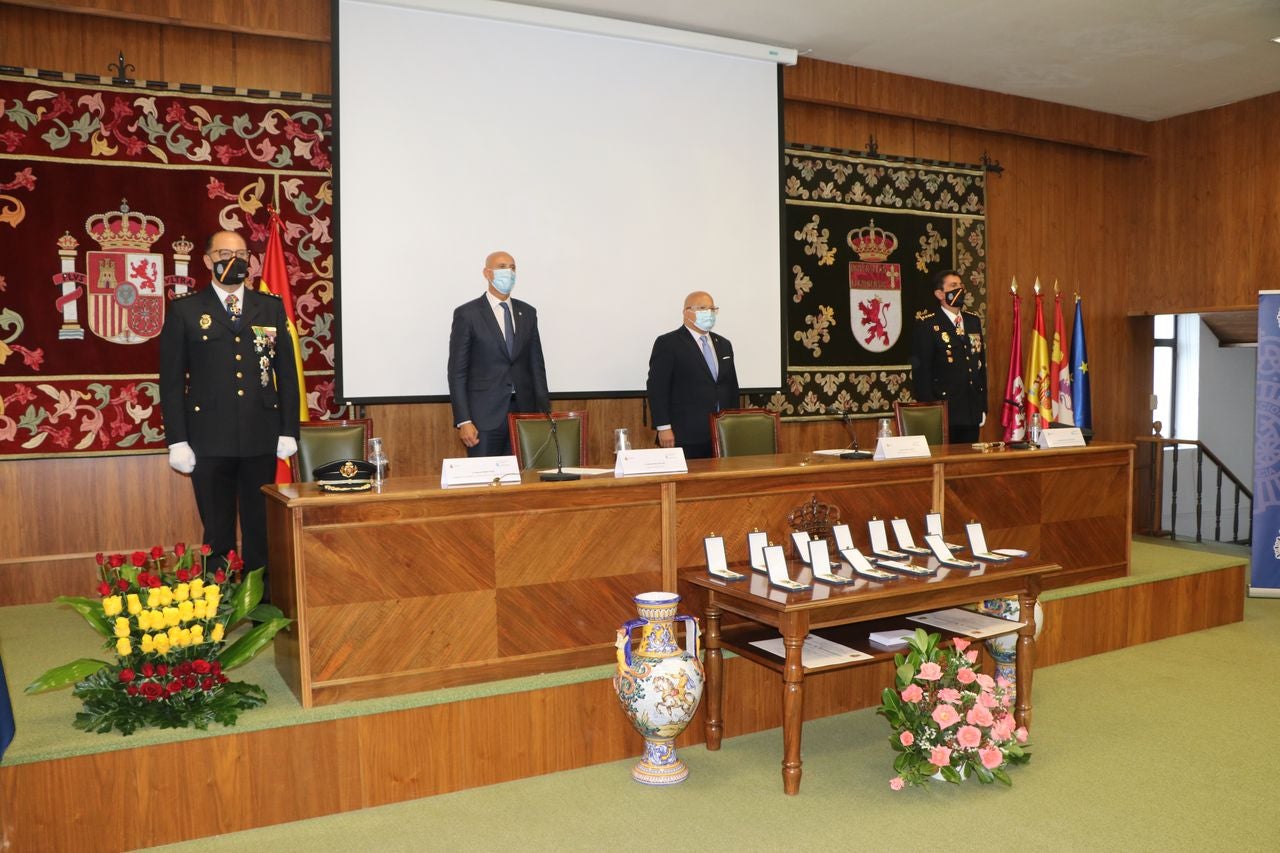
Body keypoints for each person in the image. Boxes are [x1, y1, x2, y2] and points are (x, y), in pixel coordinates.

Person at [159, 229, 301, 579]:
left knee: (259, 532)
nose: (233, 261)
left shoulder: (269, 307)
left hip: (260, 437)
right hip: (209, 440)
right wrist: (177, 440)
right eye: (225, 253)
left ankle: (259, 611)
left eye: (241, 254)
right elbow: (172, 382)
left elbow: (287, 372)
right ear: (208, 260)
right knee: (218, 535)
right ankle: (218, 613)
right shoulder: (186, 311)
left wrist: (288, 429)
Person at [447, 250, 550, 457]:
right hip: (483, 419)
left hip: (524, 413)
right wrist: (464, 420)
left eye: (513, 268)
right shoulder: (468, 314)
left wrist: (543, 413)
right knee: (485, 481)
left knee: (522, 482)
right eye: (502, 267)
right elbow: (457, 372)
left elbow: (536, 366)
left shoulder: (528, 313)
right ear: (487, 273)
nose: (509, 272)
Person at [646, 291, 739, 459]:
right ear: (686, 312)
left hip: (722, 433)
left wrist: (733, 423)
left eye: (712, 309)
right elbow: (657, 388)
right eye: (703, 308)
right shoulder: (668, 343)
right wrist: (663, 427)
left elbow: (731, 386)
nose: (709, 313)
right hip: (685, 435)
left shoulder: (724, 344)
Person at [910, 268, 987, 443]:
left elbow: (980, 365)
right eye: (953, 286)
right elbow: (922, 374)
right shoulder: (928, 324)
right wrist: (930, 412)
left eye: (961, 285)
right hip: (943, 411)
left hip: (971, 410)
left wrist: (982, 406)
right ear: (939, 293)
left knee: (968, 464)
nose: (959, 289)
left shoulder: (972, 321)